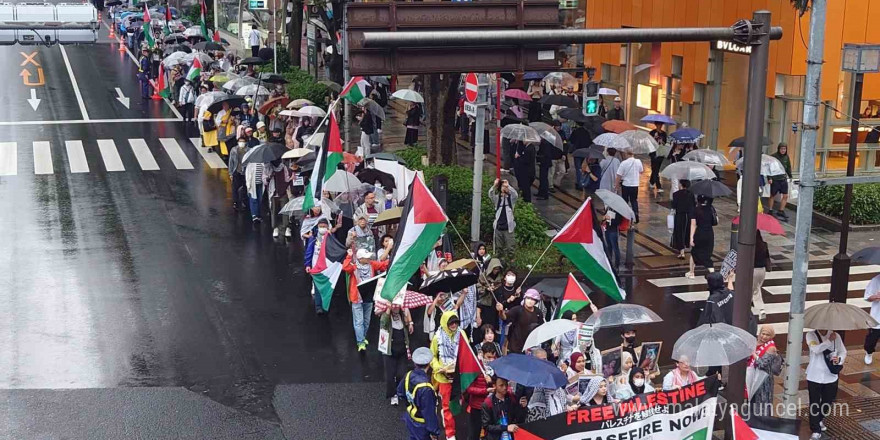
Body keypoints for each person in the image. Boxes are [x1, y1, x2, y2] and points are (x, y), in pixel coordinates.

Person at [342, 248, 388, 351]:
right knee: (359, 321)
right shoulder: (353, 267)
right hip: (357, 298)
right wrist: (349, 256)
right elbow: (345, 267)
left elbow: (383, 265)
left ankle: (362, 337)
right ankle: (360, 342)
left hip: (368, 297)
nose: (369, 259)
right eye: (366, 257)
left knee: (366, 321)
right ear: (360, 259)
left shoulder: (371, 264)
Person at [430, 311, 466, 440]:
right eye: (451, 323)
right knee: (447, 406)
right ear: (445, 323)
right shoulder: (437, 337)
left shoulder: (462, 334)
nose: (454, 325)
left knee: (458, 404)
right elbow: (432, 356)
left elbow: (466, 351)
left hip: (458, 376)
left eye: (456, 322)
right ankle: (450, 433)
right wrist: (438, 367)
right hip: (443, 378)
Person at [805, 329, 846, 439]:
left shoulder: (836, 335)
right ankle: (815, 429)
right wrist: (828, 341)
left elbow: (843, 351)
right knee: (814, 402)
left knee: (828, 401)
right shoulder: (810, 335)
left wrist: (839, 359)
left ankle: (819, 419)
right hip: (814, 375)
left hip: (830, 376)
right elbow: (816, 349)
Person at [398, 347, 443, 440]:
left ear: (415, 363)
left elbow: (400, 392)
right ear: (429, 364)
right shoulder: (426, 387)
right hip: (422, 426)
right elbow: (429, 412)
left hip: (410, 419)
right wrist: (434, 432)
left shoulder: (408, 375)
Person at [381, 303, 412, 406]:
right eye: (394, 306)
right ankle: (393, 395)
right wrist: (388, 309)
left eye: (397, 306)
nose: (396, 308)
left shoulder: (402, 315)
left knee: (401, 373)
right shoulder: (386, 316)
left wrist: (410, 324)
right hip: (390, 351)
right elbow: (383, 324)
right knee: (390, 375)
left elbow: (407, 325)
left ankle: (399, 391)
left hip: (402, 349)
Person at [748, 325, 783, 417]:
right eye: (763, 334)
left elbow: (763, 364)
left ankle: (762, 421)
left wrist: (754, 355)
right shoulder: (755, 342)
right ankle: (753, 419)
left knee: (762, 401)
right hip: (753, 375)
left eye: (767, 335)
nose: (764, 337)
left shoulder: (771, 348)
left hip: (763, 378)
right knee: (753, 398)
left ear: (771, 336)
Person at [465, 343, 497, 440]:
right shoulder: (475, 366)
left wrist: (492, 381)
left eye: (493, 357)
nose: (490, 360)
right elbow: (469, 389)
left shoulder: (497, 367)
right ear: (482, 354)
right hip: (477, 406)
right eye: (488, 357)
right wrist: (486, 390)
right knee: (474, 434)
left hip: (492, 406)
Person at [498, 289, 544, 354]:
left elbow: (541, 327)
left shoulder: (538, 312)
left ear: (536, 301)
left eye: (532, 299)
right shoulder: (517, 310)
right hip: (515, 346)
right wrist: (501, 311)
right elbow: (505, 318)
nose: (530, 301)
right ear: (524, 299)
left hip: (531, 346)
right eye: (528, 298)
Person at [481, 376, 528, 440]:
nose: (505, 387)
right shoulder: (488, 403)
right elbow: (487, 426)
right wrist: (506, 428)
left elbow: (519, 419)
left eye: (506, 384)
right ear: (494, 386)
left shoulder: (512, 398)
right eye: (501, 385)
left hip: (512, 436)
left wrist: (522, 408)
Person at [304, 218, 332, 314]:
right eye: (321, 226)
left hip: (327, 267)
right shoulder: (313, 238)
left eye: (324, 226)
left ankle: (325, 305)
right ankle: (318, 307)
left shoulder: (330, 238)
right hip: (316, 266)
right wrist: (307, 264)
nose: (322, 228)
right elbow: (309, 251)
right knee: (317, 287)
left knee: (326, 287)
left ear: (327, 227)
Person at [687, 195, 716, 278]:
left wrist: (691, 238)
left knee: (694, 252)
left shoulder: (695, 210)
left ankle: (692, 272)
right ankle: (712, 272)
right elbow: (715, 221)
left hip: (699, 233)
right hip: (709, 234)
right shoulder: (710, 209)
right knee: (707, 254)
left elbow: (693, 225)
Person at [489, 179, 517, 260]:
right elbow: (490, 194)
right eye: (503, 187)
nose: (504, 189)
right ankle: (499, 265)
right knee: (498, 249)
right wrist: (494, 186)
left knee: (510, 248)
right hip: (498, 228)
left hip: (508, 228)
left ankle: (511, 266)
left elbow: (515, 195)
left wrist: (508, 186)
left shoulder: (511, 199)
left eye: (505, 187)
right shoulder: (497, 199)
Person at [265, 159, 293, 238]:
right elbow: (264, 180)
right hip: (273, 194)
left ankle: (286, 227)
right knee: (274, 211)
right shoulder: (268, 168)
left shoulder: (284, 168)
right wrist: (269, 177)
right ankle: (275, 228)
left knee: (285, 210)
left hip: (283, 193)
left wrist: (290, 180)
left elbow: (287, 178)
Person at [615, 151, 644, 223]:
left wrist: (616, 185)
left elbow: (619, 175)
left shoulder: (624, 163)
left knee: (625, 201)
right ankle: (636, 216)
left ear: (626, 154)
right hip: (635, 185)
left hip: (626, 185)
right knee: (634, 200)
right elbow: (641, 171)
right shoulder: (638, 161)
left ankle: (624, 216)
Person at [670, 180, 695, 260]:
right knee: (687, 232)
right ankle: (686, 247)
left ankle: (682, 252)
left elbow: (673, 205)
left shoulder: (676, 194)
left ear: (681, 185)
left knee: (679, 232)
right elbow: (693, 205)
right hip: (689, 216)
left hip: (680, 216)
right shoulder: (691, 194)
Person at [767, 143, 793, 220]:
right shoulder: (773, 157)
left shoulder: (786, 157)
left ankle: (781, 211)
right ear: (778, 149)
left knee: (785, 196)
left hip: (783, 179)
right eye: (781, 149)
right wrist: (769, 178)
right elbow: (769, 168)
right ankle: (770, 210)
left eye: (784, 149)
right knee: (772, 195)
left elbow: (788, 167)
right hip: (775, 179)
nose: (783, 150)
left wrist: (790, 176)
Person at [753, 231, 770, 321]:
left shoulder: (750, 246)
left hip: (753, 270)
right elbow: (767, 257)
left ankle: (761, 309)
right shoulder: (764, 245)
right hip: (762, 270)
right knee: (756, 288)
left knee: (755, 290)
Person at [228, 136, 248, 212]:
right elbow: (231, 162)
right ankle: (235, 202)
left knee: (245, 187)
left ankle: (244, 201)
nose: (241, 143)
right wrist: (230, 173)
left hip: (245, 172)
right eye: (240, 141)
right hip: (236, 171)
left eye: (243, 141)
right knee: (235, 188)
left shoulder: (249, 150)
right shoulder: (234, 150)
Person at [864, 274, 880, 365]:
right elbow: (867, 297)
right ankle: (869, 352)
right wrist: (877, 297)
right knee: (871, 341)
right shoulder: (876, 280)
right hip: (877, 318)